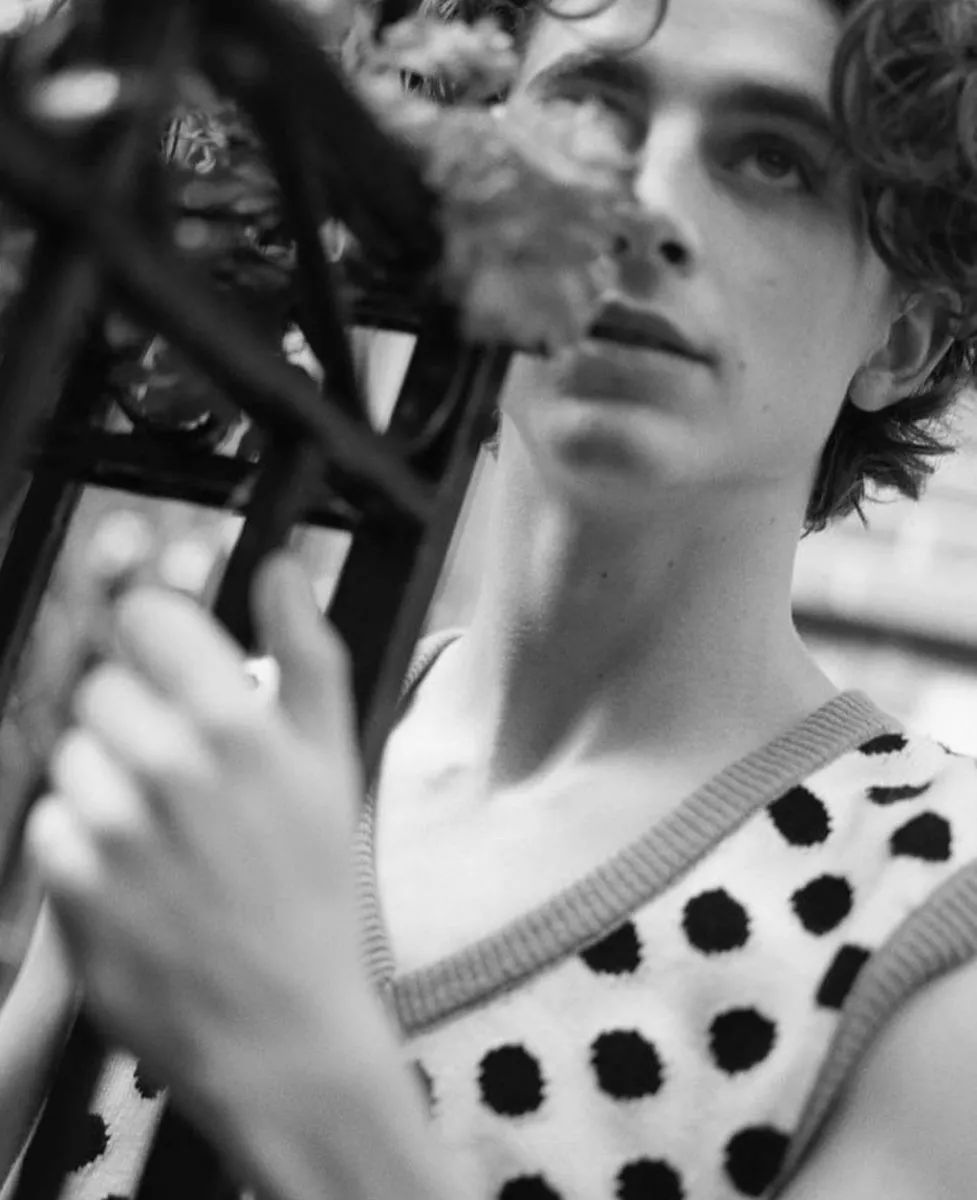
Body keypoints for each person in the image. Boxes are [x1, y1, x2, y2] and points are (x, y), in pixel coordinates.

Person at [2, 0, 977, 1196]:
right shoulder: (235, 748)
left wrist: (307, 1071)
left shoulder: (932, 902)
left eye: (771, 159)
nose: (641, 206)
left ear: (904, 339)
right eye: (588, 112)